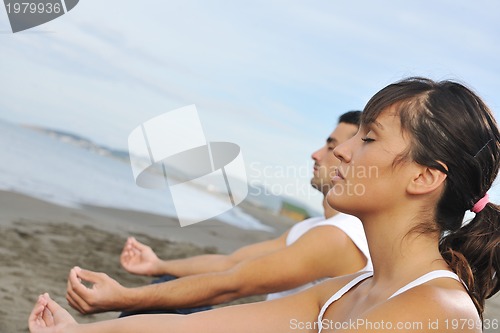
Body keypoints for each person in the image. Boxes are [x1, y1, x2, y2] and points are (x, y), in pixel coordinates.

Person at [29, 77, 499, 333]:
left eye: (369, 137)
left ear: (424, 176)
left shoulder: (435, 314)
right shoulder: (352, 288)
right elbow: (205, 327)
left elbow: (233, 284)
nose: (340, 152)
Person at [63, 111, 372, 315]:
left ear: (351, 158)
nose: (316, 154)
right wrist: (157, 263)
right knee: (169, 280)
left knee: (161, 306)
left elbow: (233, 284)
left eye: (331, 146)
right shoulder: (315, 226)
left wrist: (123, 296)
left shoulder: (339, 236)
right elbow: (230, 263)